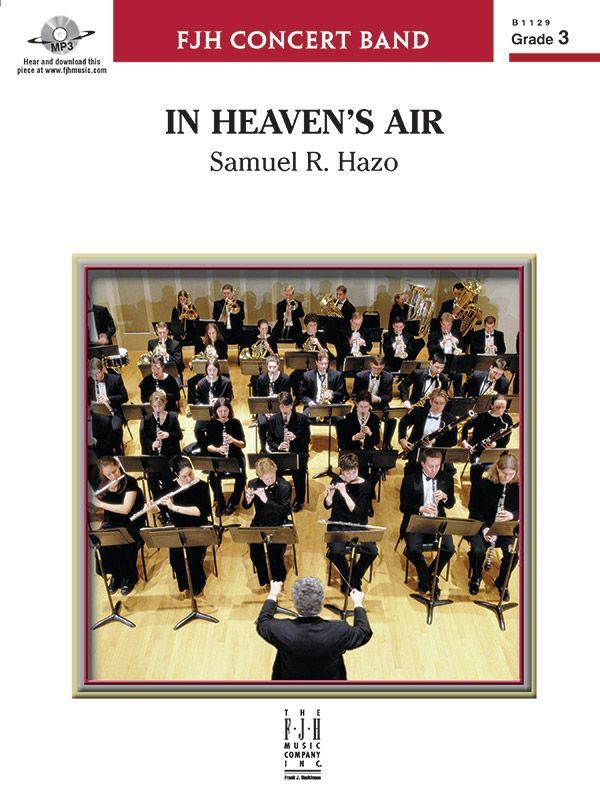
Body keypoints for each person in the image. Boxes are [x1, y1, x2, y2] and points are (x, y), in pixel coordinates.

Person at [256, 576, 372, 680]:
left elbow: (262, 622)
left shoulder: (280, 630)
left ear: (295, 603)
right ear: (321, 603)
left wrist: (273, 595)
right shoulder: (339, 630)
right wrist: (358, 603)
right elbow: (364, 632)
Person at [399, 448, 456, 596]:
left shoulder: (446, 478)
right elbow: (403, 506)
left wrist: (445, 497)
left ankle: (428, 577)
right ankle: (430, 581)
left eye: (437, 466)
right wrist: (421, 508)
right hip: (416, 519)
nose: (434, 470)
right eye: (431, 466)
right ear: (423, 464)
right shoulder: (410, 479)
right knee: (413, 549)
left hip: (438, 520)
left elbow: (451, 504)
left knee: (449, 549)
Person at [89, 456, 145, 595]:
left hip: (131, 522)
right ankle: (116, 575)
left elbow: (125, 509)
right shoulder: (103, 483)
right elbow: (99, 507)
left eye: (114, 471)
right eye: (108, 474)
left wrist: (100, 504)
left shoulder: (130, 482)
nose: (113, 476)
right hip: (112, 521)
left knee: (123, 544)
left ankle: (130, 577)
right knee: (104, 543)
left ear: (119, 466)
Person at [158, 457, 213, 596]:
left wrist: (174, 507)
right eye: (184, 476)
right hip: (178, 526)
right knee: (175, 560)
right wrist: (153, 508)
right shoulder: (170, 487)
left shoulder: (201, 486)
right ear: (177, 475)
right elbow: (163, 510)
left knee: (194, 558)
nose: (189, 479)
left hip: (198, 526)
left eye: (190, 474)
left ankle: (198, 584)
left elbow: (200, 512)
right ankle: (185, 584)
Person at [468, 453, 519, 599]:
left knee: (513, 554)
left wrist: (513, 515)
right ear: (497, 468)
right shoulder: (484, 484)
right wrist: (484, 528)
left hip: (506, 529)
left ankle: (502, 582)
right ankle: (476, 576)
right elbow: (474, 509)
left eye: (511, 474)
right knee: (477, 551)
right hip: (483, 526)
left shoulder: (519, 487)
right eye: (504, 473)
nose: (507, 477)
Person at [325, 452, 377, 591]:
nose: (351, 476)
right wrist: (330, 495)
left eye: (354, 472)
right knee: (336, 552)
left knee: (372, 551)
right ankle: (350, 580)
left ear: (357, 469)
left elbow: (358, 513)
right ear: (342, 471)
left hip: (358, 525)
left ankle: (352, 578)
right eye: (347, 473)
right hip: (338, 525)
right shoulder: (336, 480)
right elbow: (327, 505)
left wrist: (344, 493)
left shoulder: (365, 486)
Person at [242, 457, 292, 586]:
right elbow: (245, 506)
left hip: (278, 523)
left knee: (274, 552)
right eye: (266, 479)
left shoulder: (285, 486)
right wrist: (248, 500)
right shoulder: (253, 484)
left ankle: (278, 579)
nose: (270, 481)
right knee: (255, 552)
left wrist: (266, 500)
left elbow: (284, 512)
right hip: (259, 521)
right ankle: (264, 579)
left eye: (272, 477)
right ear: (259, 477)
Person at [336, 390, 381, 515]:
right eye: (360, 406)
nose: (363, 410)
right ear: (356, 405)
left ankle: (367, 496)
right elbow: (343, 440)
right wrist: (354, 438)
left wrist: (370, 433)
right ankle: (354, 496)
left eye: (366, 407)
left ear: (370, 406)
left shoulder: (374, 419)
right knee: (360, 470)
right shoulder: (349, 418)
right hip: (352, 452)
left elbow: (376, 441)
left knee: (376, 472)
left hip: (367, 451)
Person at [266, 391, 311, 512]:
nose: (284, 410)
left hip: (298, 452)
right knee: (274, 470)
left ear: (291, 405)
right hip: (281, 454)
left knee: (298, 471)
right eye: (282, 407)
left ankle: (299, 500)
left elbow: (307, 440)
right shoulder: (274, 419)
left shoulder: (301, 419)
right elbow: (269, 441)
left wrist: (295, 437)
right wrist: (278, 447)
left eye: (287, 406)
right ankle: (280, 496)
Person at [140, 389, 183, 506]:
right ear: (151, 406)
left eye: (160, 406)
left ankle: (169, 504)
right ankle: (160, 506)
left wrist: (168, 435)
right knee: (152, 479)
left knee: (166, 477)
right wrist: (152, 443)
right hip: (155, 456)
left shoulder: (172, 417)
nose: (158, 409)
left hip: (170, 455)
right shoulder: (147, 419)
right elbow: (144, 439)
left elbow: (179, 436)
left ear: (165, 404)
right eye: (155, 406)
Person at [205, 397, 246, 514]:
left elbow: (243, 444)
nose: (223, 414)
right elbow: (208, 446)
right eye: (220, 411)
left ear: (229, 410)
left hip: (235, 457)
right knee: (213, 477)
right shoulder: (211, 424)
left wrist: (233, 440)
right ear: (216, 411)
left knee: (241, 478)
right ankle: (220, 501)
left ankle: (233, 501)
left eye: (225, 410)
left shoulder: (235, 422)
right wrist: (217, 449)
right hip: (218, 457)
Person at [398, 388, 458, 457]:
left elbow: (453, 441)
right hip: (417, 451)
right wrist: (402, 439)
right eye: (436, 402)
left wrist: (435, 441)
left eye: (442, 403)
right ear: (430, 401)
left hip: (439, 454)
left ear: (445, 403)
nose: (438, 406)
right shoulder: (419, 412)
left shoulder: (450, 419)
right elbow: (403, 423)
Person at [352, 355, 396, 448]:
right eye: (375, 368)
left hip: (379, 405)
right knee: (352, 416)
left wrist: (378, 399)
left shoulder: (388, 377)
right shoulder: (360, 376)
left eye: (379, 369)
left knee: (391, 420)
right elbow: (354, 395)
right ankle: (355, 441)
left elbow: (389, 397)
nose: (376, 371)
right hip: (363, 404)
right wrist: (364, 405)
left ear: (383, 366)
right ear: (371, 364)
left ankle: (386, 444)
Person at [87, 357, 128, 455]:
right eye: (92, 374)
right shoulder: (89, 382)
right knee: (94, 427)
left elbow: (124, 397)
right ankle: (104, 451)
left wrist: (108, 399)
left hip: (114, 411)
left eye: (97, 374)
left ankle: (117, 449)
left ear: (102, 370)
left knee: (115, 428)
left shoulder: (115, 379)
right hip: (98, 413)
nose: (95, 377)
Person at [461, 394, 513, 461]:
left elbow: (506, 440)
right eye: (497, 407)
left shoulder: (507, 419)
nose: (500, 410)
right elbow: (465, 427)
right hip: (478, 452)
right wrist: (464, 441)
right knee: (477, 466)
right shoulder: (480, 416)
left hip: (496, 452)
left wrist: (495, 444)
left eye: (503, 407)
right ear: (491, 406)